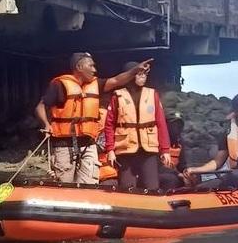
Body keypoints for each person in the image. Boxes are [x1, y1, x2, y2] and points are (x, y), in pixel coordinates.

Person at [35, 53, 153, 184]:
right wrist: (46, 124)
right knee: (65, 184)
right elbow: (40, 106)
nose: (94, 70)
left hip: (88, 142)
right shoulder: (60, 85)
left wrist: (135, 70)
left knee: (89, 183)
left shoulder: (96, 84)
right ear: (80, 67)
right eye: (91, 66)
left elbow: (117, 80)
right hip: (64, 144)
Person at [102, 62, 180, 191]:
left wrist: (165, 149)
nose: (143, 77)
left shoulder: (152, 95)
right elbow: (109, 125)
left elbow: (161, 123)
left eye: (145, 74)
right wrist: (110, 150)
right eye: (139, 74)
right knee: (127, 187)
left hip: (148, 150)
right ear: (131, 75)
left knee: (152, 187)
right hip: (125, 150)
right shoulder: (117, 96)